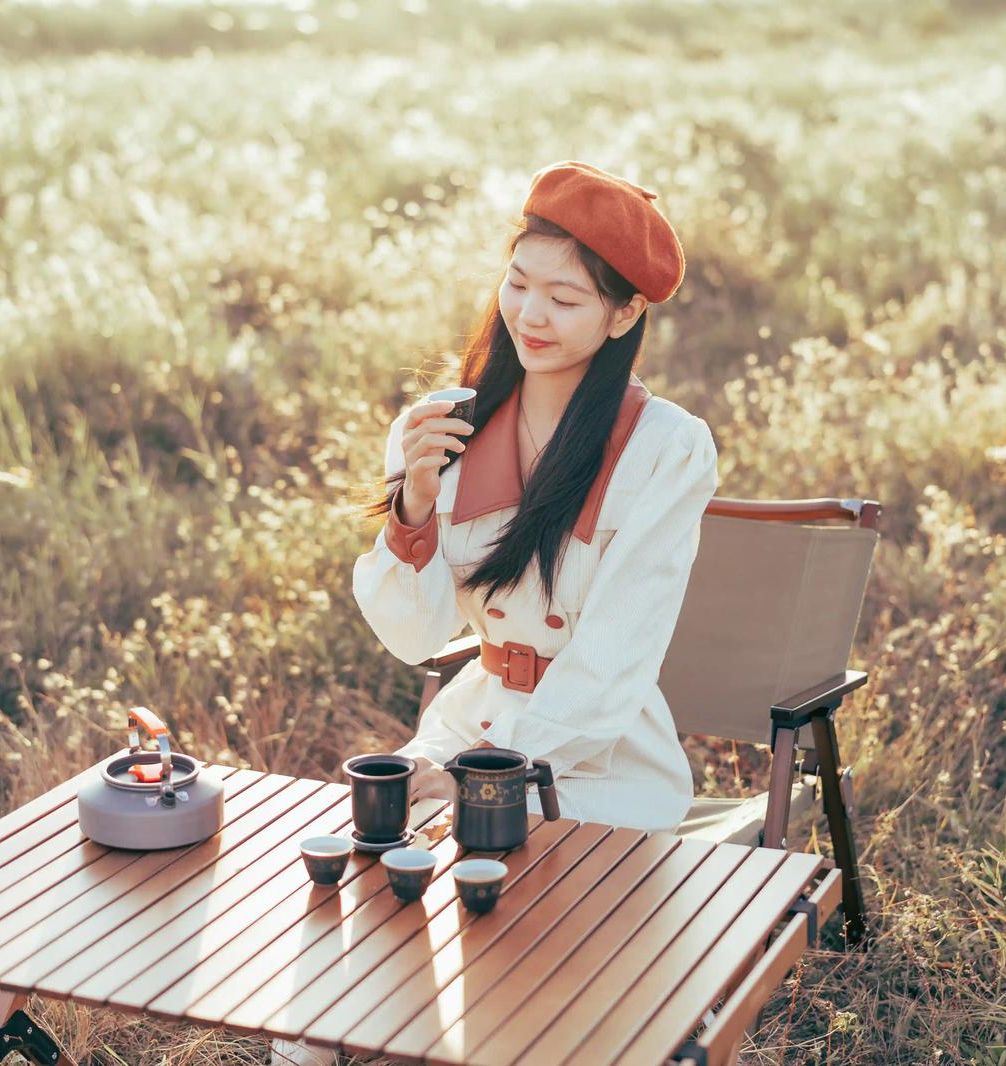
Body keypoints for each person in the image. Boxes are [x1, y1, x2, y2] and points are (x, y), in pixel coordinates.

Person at [268, 160, 717, 1066]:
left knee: (523, 959)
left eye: (565, 298)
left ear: (624, 315)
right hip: (466, 721)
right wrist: (414, 505)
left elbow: (615, 662)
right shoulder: (443, 421)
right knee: (334, 909)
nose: (531, 316)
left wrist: (490, 773)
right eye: (518, 284)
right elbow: (412, 636)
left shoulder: (667, 448)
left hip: (599, 754)